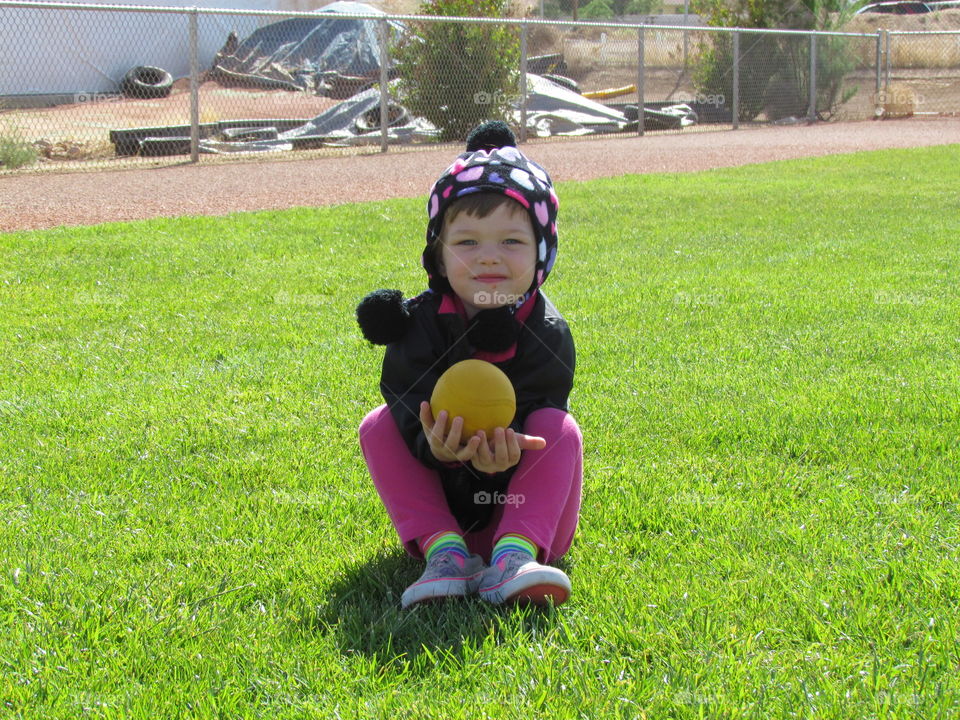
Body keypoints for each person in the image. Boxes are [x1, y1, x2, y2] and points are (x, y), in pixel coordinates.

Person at [356, 121, 582, 609]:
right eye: (467, 242)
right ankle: (445, 554)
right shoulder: (415, 326)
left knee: (561, 428)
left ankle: (515, 560)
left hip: (528, 518)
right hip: (447, 508)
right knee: (377, 425)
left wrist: (509, 448)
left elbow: (542, 410)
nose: (489, 259)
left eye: (512, 242)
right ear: (437, 254)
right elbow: (402, 398)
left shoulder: (548, 333)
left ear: (542, 254)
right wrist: (435, 447)